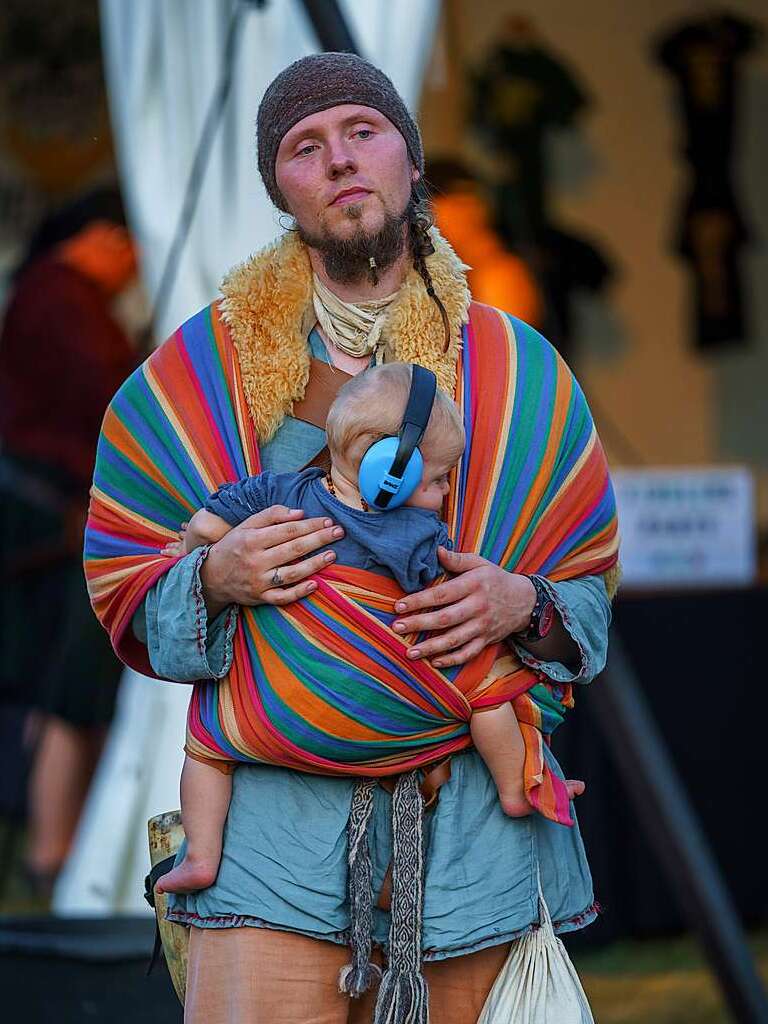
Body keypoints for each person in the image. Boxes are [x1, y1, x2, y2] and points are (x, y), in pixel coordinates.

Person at [85, 54, 618, 1023]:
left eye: (363, 134)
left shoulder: (518, 376)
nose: (339, 160)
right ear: (279, 188)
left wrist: (519, 601)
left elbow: (584, 597)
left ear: (411, 164)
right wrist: (213, 574)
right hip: (271, 848)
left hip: (474, 856)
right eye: (304, 146)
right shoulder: (201, 379)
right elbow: (128, 589)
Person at [153, 361, 586, 896]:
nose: (447, 491)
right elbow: (437, 598)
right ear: (390, 471)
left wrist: (207, 554)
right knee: (495, 691)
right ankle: (519, 783)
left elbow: (206, 526)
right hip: (385, 669)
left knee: (207, 744)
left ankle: (200, 854)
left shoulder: (279, 491)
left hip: (274, 708)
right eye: (435, 479)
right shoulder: (416, 534)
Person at [0, 189, 139, 892]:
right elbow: (110, 398)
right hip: (59, 522)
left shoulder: (46, 293)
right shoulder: (61, 296)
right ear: (102, 238)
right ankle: (48, 850)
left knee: (60, 686)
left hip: (53, 518)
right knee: (65, 686)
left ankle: (48, 847)